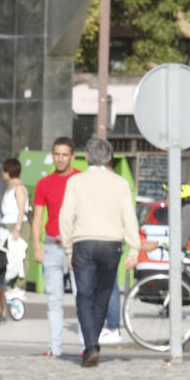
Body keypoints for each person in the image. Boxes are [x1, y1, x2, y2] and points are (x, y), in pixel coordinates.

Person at [59, 136, 140, 367]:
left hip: (83, 243)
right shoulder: (121, 183)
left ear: (86, 158)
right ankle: (93, 344)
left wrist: (68, 248)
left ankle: (91, 345)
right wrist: (134, 248)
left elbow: (66, 217)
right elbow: (129, 218)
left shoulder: (76, 182)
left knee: (84, 295)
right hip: (111, 245)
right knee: (103, 295)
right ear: (109, 158)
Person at [31, 137, 79, 358]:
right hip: (52, 246)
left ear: (72, 156)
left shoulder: (80, 180)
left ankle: (87, 346)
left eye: (64, 154)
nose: (60, 159)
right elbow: (38, 216)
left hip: (77, 247)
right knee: (54, 300)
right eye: (57, 154)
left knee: (83, 298)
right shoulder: (44, 184)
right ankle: (56, 347)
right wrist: (37, 245)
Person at [0, 157, 30, 322]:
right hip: (7, 224)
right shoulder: (10, 187)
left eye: (4, 170)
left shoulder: (19, 188)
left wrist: (17, 228)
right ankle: (10, 282)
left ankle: (20, 286)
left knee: (19, 254)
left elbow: (21, 209)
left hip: (16, 225)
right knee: (8, 256)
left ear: (8, 171)